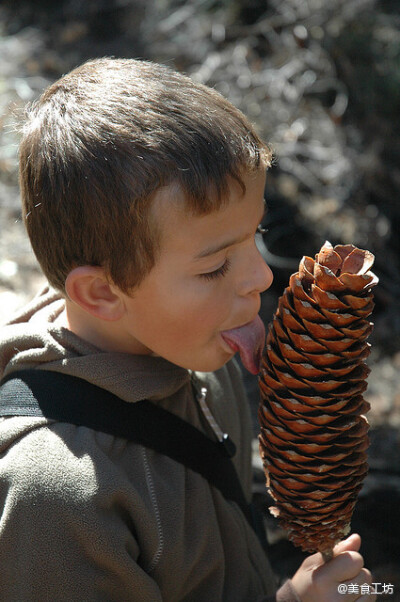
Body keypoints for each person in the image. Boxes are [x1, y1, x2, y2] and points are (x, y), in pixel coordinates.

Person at [0, 58, 374, 601]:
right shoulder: (54, 502)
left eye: (256, 233)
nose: (261, 276)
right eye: (214, 266)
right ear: (102, 294)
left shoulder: (195, 352)